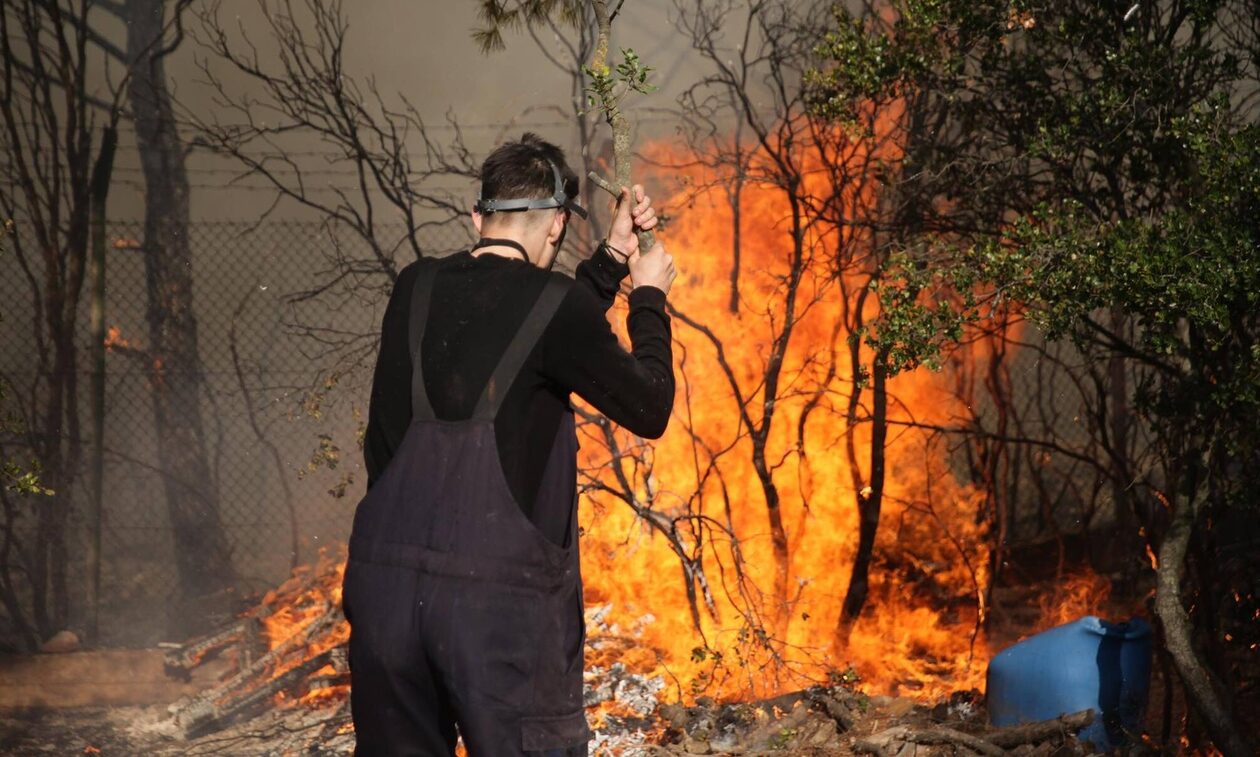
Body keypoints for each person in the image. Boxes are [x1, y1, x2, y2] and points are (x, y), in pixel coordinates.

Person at [341, 132, 678, 756]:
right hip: (496, 613)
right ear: (557, 225)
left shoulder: (414, 288)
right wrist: (649, 297)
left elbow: (525, 329)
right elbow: (650, 407)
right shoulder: (554, 306)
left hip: (386, 595)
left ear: (478, 217)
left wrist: (609, 260)